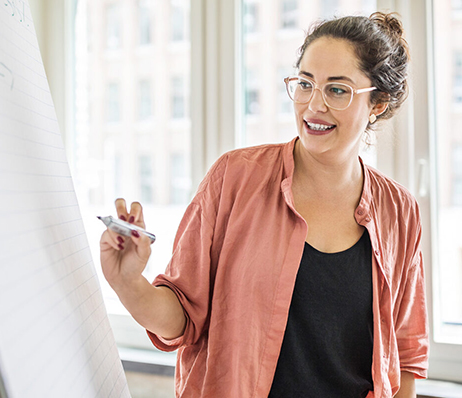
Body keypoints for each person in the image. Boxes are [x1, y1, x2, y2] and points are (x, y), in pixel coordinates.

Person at [100, 12, 428, 398]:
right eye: (305, 84)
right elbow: (180, 321)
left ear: (377, 102)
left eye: (337, 90)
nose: (313, 106)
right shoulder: (234, 179)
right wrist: (128, 283)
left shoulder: (399, 210)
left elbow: (406, 356)